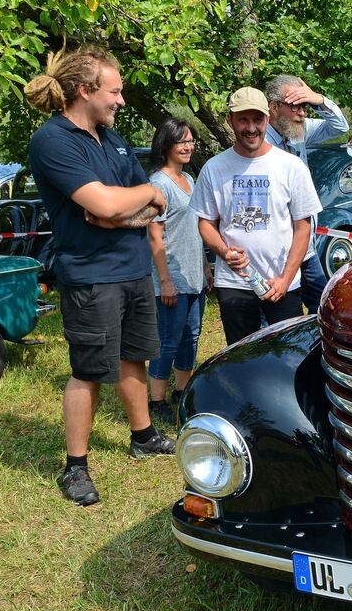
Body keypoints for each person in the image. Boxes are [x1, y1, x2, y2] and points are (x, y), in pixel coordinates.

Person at [23, 47, 175, 506]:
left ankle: (143, 436)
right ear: (85, 91)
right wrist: (140, 194)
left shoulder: (112, 138)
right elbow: (109, 205)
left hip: (133, 269)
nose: (122, 101)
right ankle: (75, 468)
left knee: (134, 358)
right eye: (115, 91)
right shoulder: (53, 141)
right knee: (88, 372)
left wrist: (136, 198)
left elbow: (148, 206)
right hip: (91, 276)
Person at [192, 87, 321, 345]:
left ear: (267, 119)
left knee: (288, 356)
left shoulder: (290, 166)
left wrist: (285, 279)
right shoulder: (214, 168)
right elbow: (205, 222)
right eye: (243, 120)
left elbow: (303, 227)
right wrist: (223, 251)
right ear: (230, 120)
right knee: (241, 360)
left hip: (282, 285)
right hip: (234, 284)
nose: (251, 128)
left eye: (257, 120)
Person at [264, 74, 349, 313]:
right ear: (274, 107)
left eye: (305, 106)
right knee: (281, 323)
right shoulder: (259, 144)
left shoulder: (299, 131)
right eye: (295, 106)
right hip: (276, 254)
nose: (302, 113)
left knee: (326, 311)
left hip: (306, 249)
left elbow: (340, 126)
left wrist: (318, 99)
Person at [147, 118, 211, 425]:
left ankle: (181, 392)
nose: (188, 147)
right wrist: (165, 281)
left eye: (191, 141)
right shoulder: (158, 184)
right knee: (168, 340)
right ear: (166, 144)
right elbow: (154, 236)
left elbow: (196, 228)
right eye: (181, 141)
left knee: (191, 336)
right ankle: (156, 400)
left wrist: (206, 269)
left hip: (194, 275)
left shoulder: (191, 179)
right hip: (171, 277)